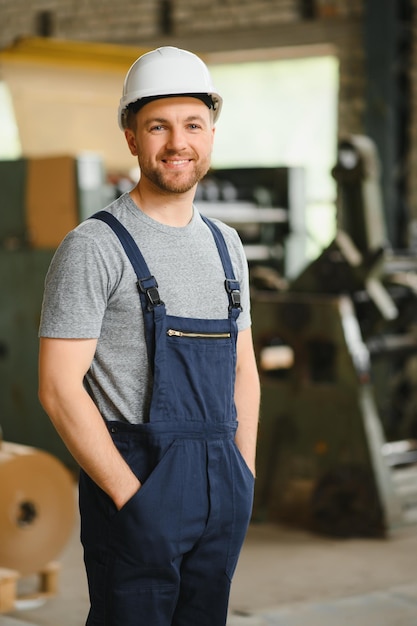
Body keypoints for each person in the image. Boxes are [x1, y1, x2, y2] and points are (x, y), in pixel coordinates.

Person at [38, 46, 260, 626]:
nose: (177, 142)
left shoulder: (226, 245)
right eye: (158, 126)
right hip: (139, 485)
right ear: (132, 138)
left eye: (192, 124)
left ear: (212, 132)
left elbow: (244, 370)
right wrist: (130, 497)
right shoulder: (94, 247)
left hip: (222, 487)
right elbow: (59, 388)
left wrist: (244, 476)